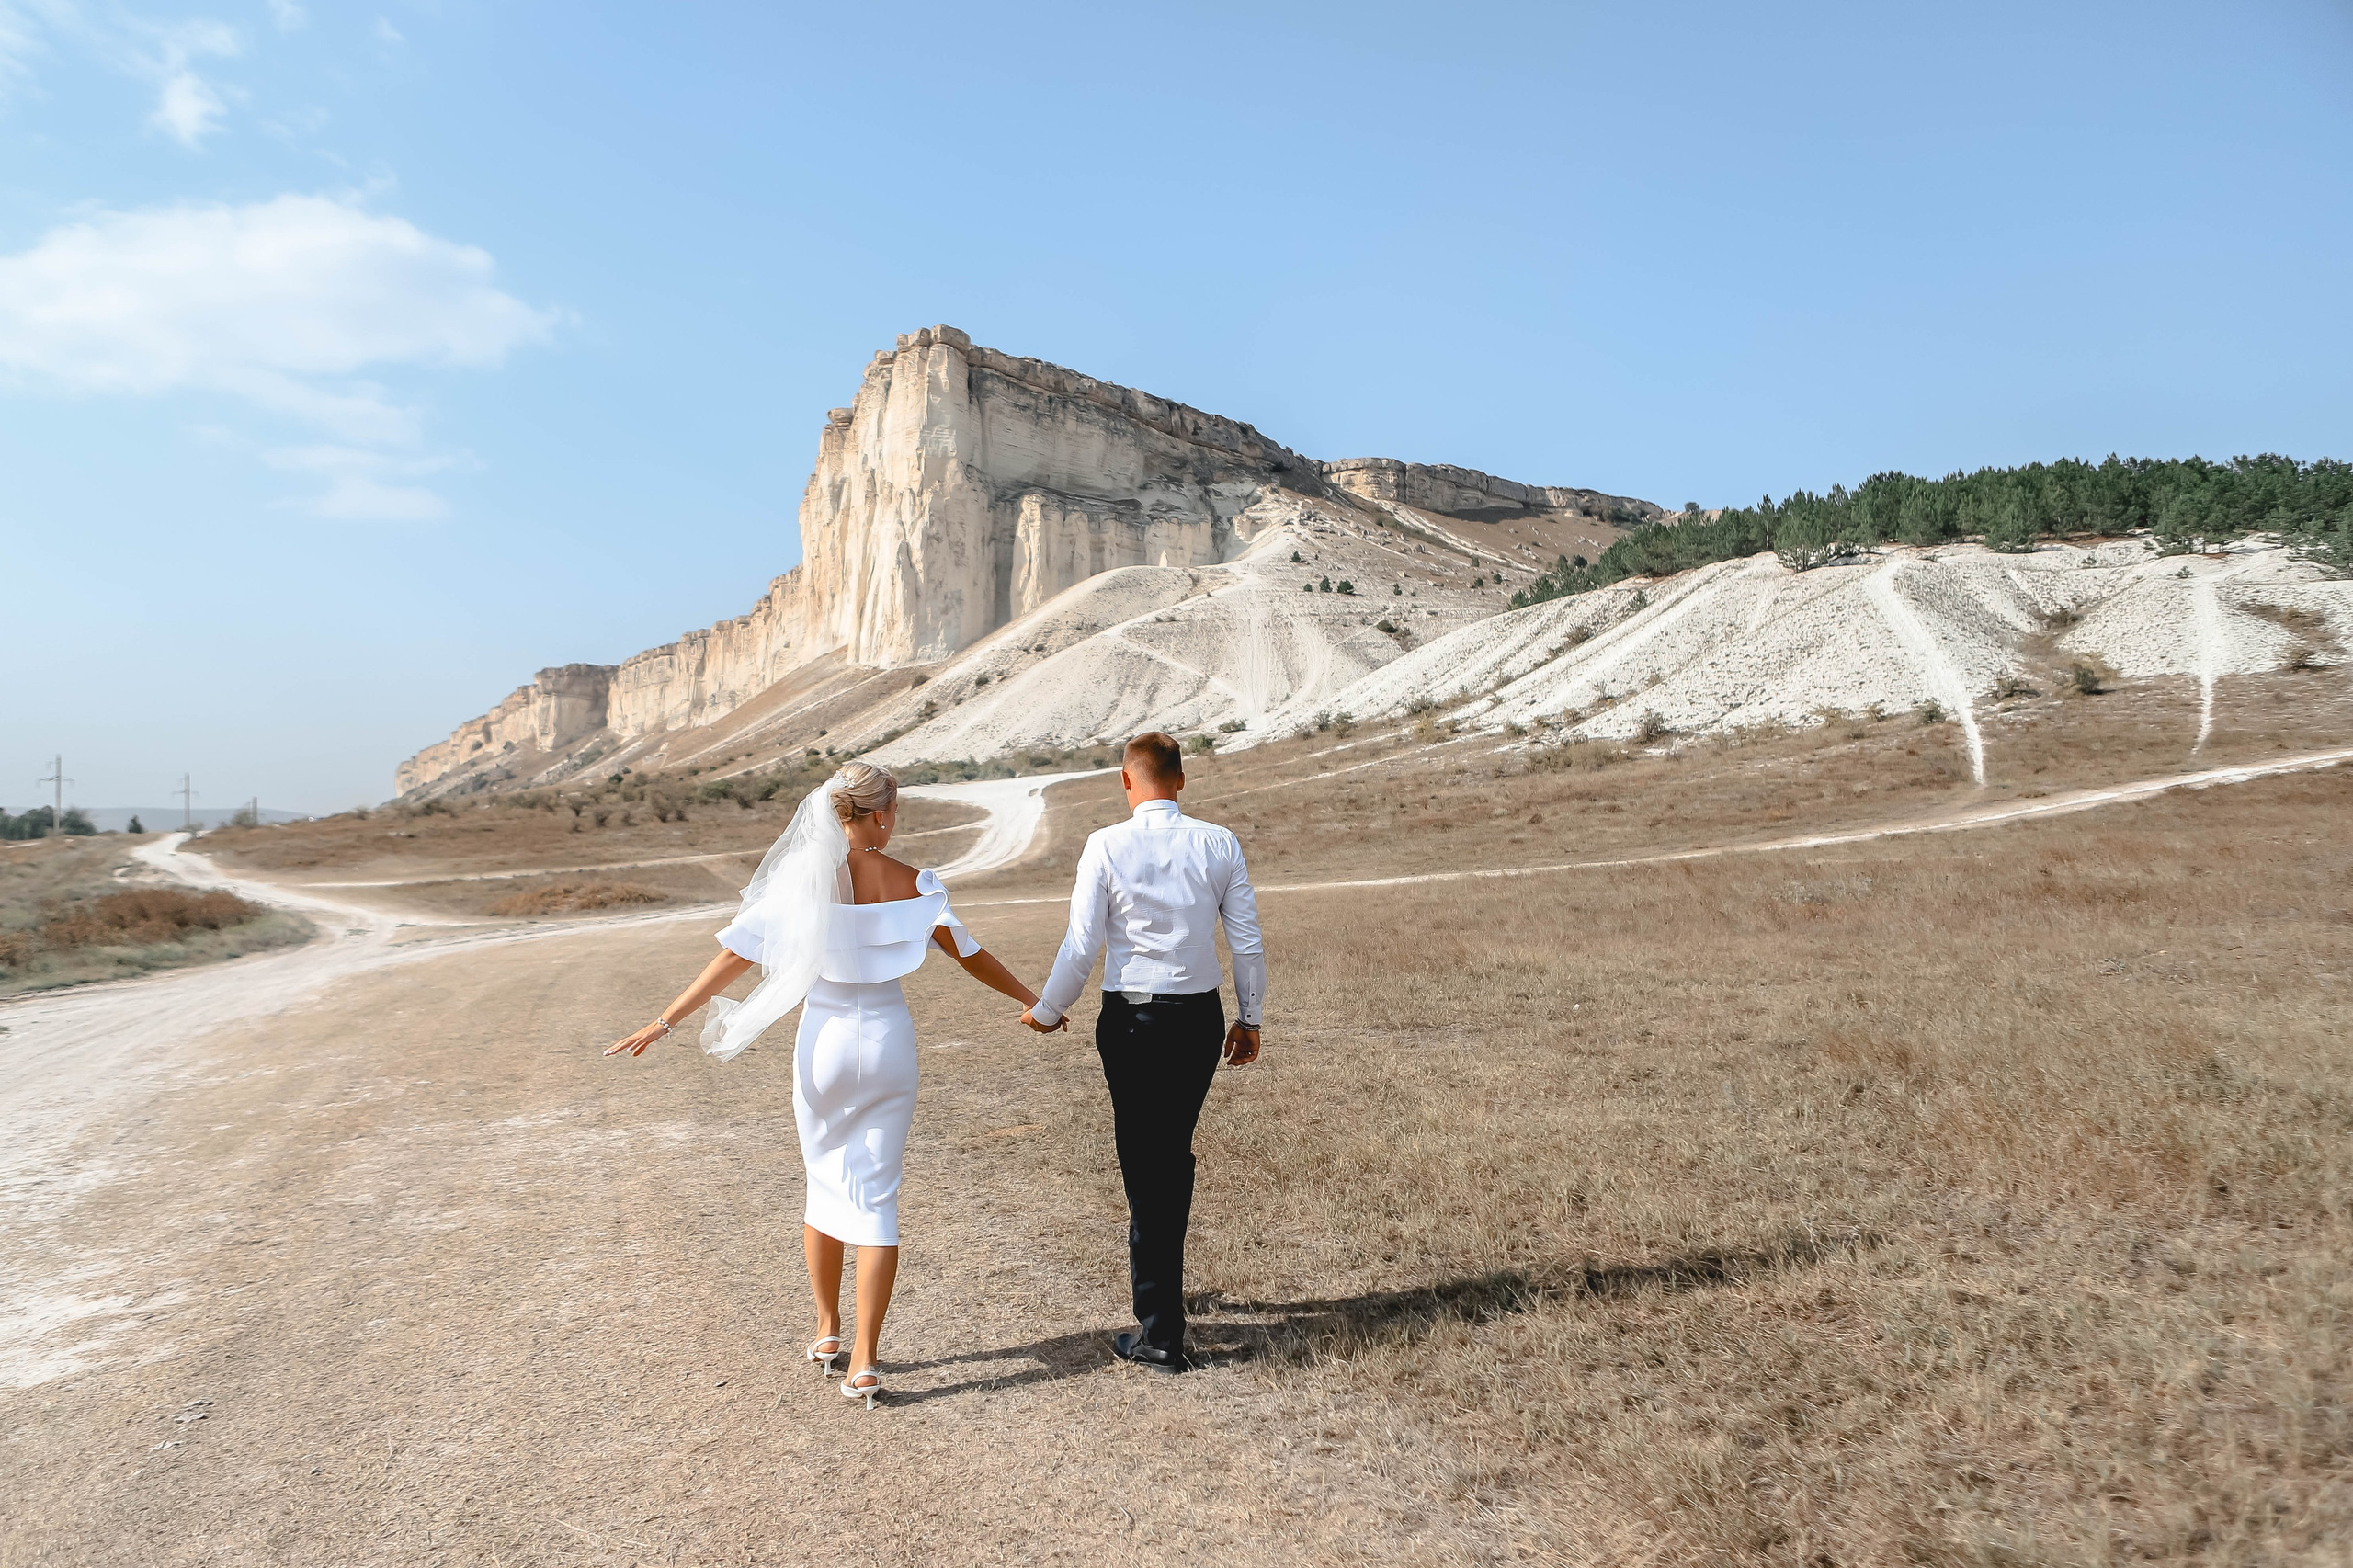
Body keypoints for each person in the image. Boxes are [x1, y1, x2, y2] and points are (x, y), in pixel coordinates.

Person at [606, 762, 1046, 1408]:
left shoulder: (804, 883)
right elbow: (968, 951)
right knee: (877, 1197)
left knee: (824, 1180)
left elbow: (737, 955)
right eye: (893, 811)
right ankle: (864, 1360)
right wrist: (1034, 1000)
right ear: (877, 815)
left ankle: (826, 1329)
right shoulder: (914, 882)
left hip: (825, 1041)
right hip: (888, 1041)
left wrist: (666, 1020)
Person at [1021, 732, 1265, 1372]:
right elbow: (1246, 942)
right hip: (1197, 1021)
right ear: (1180, 780)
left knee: (1145, 1162)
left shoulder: (1105, 844)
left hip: (1132, 1022)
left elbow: (1081, 945)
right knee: (1169, 1155)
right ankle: (1163, 1308)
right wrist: (1250, 1017)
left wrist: (1048, 1011)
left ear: (1126, 782)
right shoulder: (1219, 842)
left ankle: (1161, 1331)